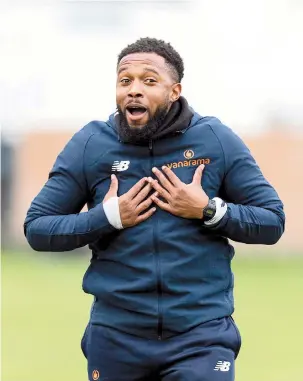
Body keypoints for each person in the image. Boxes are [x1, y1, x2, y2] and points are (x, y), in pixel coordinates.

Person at [24, 37, 285, 381]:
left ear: (174, 91)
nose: (134, 90)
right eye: (125, 80)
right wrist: (107, 218)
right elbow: (38, 228)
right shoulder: (91, 144)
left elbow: (272, 221)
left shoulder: (215, 140)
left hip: (200, 335)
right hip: (116, 337)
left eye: (149, 81)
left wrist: (208, 210)